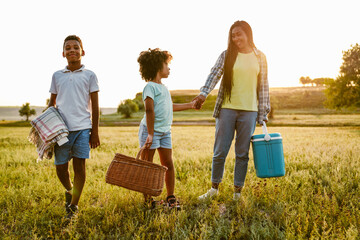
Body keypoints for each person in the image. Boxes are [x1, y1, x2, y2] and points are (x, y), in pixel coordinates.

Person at [194, 20, 270, 200]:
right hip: (227, 109)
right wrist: (203, 93)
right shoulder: (227, 55)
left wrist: (263, 113)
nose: (236, 38)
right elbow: (214, 74)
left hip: (249, 111)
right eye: (233, 35)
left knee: (242, 153)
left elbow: (264, 86)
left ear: (248, 34)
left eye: (239, 34)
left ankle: (237, 193)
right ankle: (214, 189)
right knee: (220, 150)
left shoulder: (260, 57)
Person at [48, 35, 100, 219]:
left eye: (76, 47)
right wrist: (47, 134)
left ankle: (73, 206)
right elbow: (51, 104)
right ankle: (70, 190)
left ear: (82, 52)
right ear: (63, 53)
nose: (72, 50)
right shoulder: (57, 76)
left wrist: (94, 132)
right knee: (60, 168)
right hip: (61, 131)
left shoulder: (90, 75)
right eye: (68, 48)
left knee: (80, 167)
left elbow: (95, 106)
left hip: (83, 129)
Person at [137, 48, 195, 210]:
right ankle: (148, 199)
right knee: (148, 164)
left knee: (168, 163)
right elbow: (149, 110)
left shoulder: (163, 88)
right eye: (166, 64)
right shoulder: (150, 87)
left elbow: (170, 107)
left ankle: (170, 196)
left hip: (164, 132)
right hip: (151, 132)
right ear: (157, 66)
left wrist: (190, 105)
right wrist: (149, 133)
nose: (169, 68)